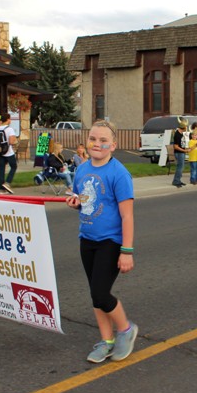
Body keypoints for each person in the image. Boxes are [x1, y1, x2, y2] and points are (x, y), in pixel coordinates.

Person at [65, 120, 138, 363]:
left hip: (111, 241)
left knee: (100, 293)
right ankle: (106, 341)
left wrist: (126, 251)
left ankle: (126, 330)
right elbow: (84, 202)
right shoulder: (82, 170)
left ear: (113, 145)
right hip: (87, 239)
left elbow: (127, 215)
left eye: (103, 141)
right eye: (94, 139)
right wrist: (76, 204)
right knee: (95, 294)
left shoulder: (119, 174)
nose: (97, 144)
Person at [0, 112, 19, 195]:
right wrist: (15, 141)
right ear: (7, 120)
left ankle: (1, 188)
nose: (10, 120)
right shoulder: (9, 129)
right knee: (14, 166)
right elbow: (11, 141)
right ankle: (7, 183)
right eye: (10, 119)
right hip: (8, 152)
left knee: (1, 169)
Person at [171, 118, 190, 188]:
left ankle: (178, 180)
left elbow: (182, 144)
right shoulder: (177, 135)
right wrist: (184, 150)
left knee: (181, 167)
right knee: (180, 167)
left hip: (182, 152)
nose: (186, 128)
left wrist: (186, 149)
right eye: (186, 127)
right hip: (179, 153)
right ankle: (176, 181)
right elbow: (175, 146)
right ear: (183, 127)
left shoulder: (181, 134)